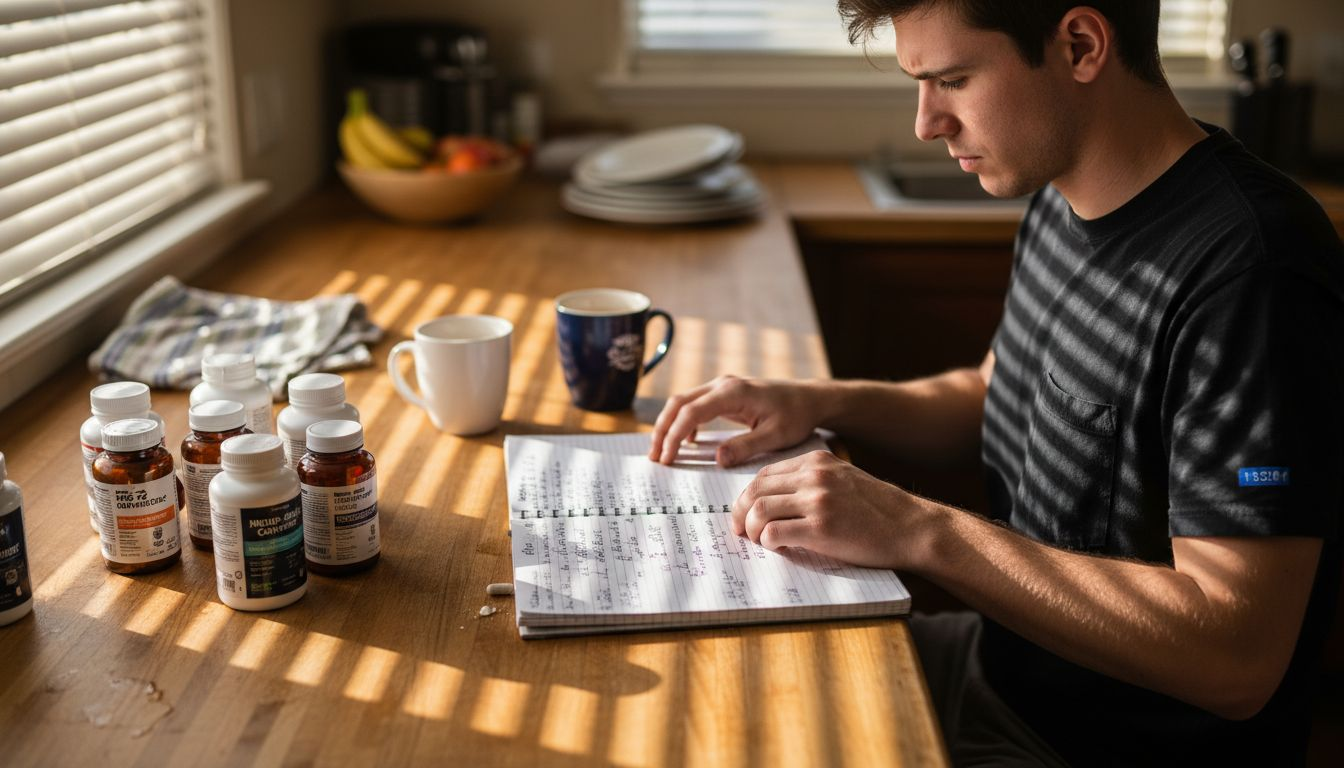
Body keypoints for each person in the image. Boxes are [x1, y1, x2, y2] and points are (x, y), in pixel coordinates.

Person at [648, 1, 1344, 765]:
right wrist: (816, 400)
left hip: (1079, 745)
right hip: (998, 671)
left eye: (953, 78)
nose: (926, 122)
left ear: (1080, 45)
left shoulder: (1254, 273)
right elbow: (993, 394)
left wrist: (917, 528)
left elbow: (1237, 655)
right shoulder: (1060, 191)